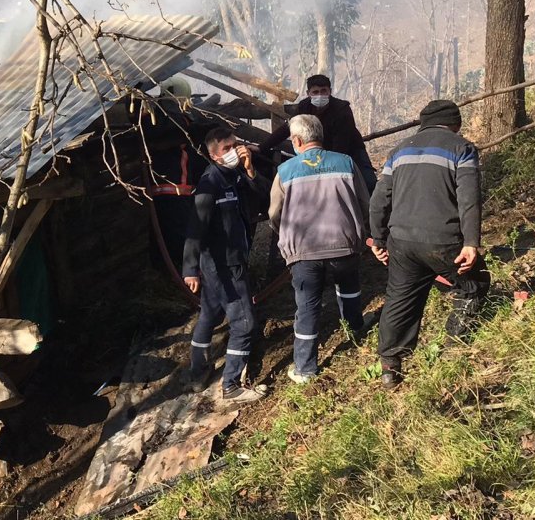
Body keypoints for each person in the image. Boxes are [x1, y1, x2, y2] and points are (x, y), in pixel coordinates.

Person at [369, 99, 490, 389]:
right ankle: (454, 347)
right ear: (456, 124)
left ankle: (389, 365)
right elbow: (469, 200)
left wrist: (378, 239)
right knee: (475, 283)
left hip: (400, 242)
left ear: (422, 123)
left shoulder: (398, 151)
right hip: (443, 241)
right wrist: (471, 243)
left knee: (400, 298)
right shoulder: (462, 148)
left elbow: (378, 200)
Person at [268, 114, 371, 384]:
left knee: (307, 307)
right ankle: (356, 329)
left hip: (304, 253)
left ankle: (305, 368)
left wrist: (285, 236)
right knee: (349, 289)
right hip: (344, 246)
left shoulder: (285, 171)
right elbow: (364, 202)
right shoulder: (345, 162)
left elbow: (275, 214)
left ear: (297, 140)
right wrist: (363, 233)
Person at [182, 126, 269, 403]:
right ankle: (231, 385)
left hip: (226, 262)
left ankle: (198, 373)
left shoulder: (235, 176)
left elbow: (264, 196)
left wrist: (250, 168)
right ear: (215, 156)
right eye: (228, 149)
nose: (235, 151)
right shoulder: (210, 184)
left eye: (236, 145)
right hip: (224, 265)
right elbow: (196, 226)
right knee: (244, 323)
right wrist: (189, 269)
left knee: (209, 313)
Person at [256, 74, 377, 193]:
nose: (320, 95)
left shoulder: (342, 109)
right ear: (308, 93)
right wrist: (261, 148)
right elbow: (287, 128)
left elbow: (342, 144)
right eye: (315, 92)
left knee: (368, 183)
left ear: (330, 91)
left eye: (324, 91)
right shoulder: (304, 107)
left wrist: (330, 167)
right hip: (317, 151)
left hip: (351, 150)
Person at [143, 78, 204, 272]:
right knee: (183, 240)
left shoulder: (150, 119)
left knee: (160, 237)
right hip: (179, 189)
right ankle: (186, 276)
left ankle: (163, 274)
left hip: (156, 190)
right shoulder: (179, 120)